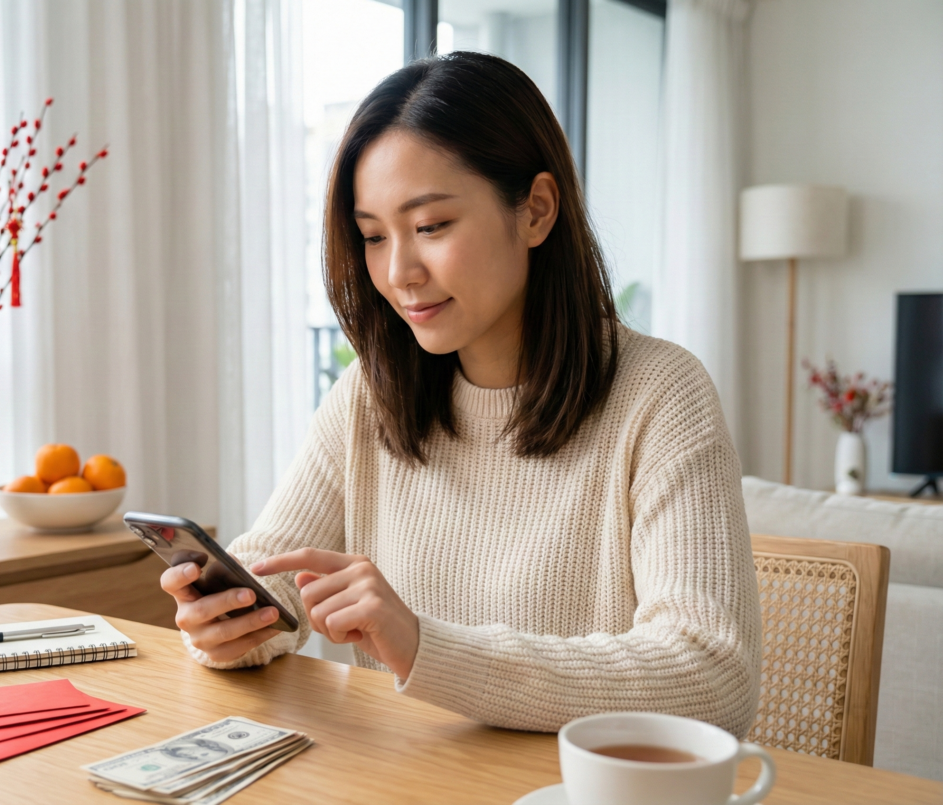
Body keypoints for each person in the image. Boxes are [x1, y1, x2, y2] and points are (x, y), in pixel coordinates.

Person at [161, 52, 762, 738]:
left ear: (535, 211)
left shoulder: (660, 394)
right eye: (373, 236)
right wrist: (227, 622)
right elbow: (275, 577)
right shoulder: (370, 394)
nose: (398, 272)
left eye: (431, 227)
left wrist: (425, 647)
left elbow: (714, 677)